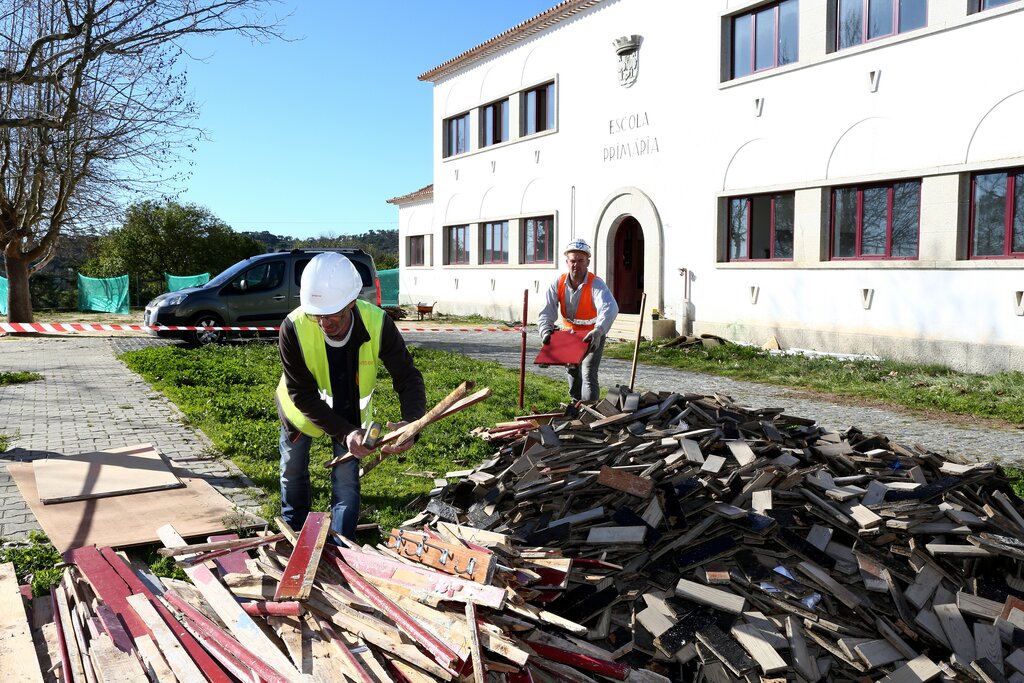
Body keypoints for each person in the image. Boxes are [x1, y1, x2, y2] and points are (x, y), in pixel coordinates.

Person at [275, 252, 425, 539]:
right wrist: (345, 434)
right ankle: (294, 538)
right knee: (292, 472)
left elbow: (407, 377)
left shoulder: (378, 322)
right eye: (318, 315)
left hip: (350, 414)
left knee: (346, 482)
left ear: (352, 304)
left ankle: (343, 547)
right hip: (301, 413)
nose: (324, 324)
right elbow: (302, 394)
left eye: (333, 316)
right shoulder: (292, 327)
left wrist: (412, 422)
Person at [537, 238, 619, 402]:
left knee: (589, 372)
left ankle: (590, 410)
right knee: (572, 369)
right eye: (573, 260)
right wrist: (545, 331)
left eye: (580, 260)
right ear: (567, 262)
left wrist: (599, 330)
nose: (576, 264)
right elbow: (547, 311)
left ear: (587, 262)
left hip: (592, 334)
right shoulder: (558, 283)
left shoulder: (596, 284)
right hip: (570, 334)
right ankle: (575, 406)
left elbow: (609, 308)